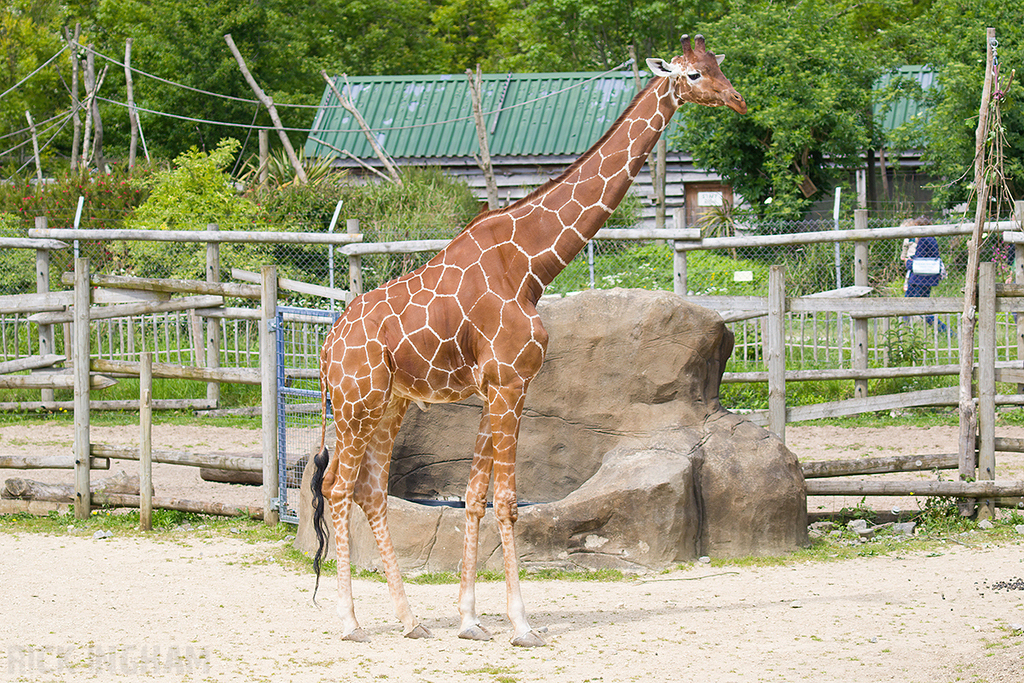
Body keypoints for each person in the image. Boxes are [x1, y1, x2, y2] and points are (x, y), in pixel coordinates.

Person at [903, 231, 946, 330]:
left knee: (916, 307)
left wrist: (908, 263)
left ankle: (944, 330)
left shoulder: (924, 240)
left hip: (919, 280)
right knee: (913, 306)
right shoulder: (931, 239)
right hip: (925, 280)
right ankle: (905, 329)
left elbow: (920, 263)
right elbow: (925, 257)